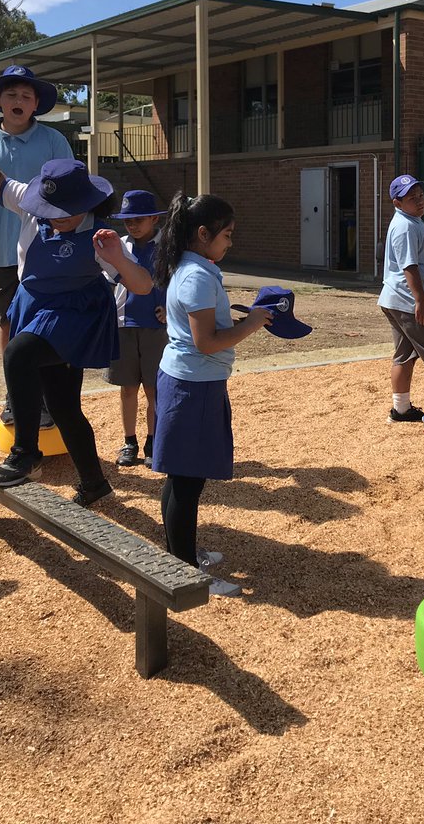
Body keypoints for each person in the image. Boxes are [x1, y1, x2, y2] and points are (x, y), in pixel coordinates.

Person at [0, 153, 154, 500]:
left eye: (65, 213)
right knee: (63, 406)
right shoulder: (32, 206)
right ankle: (95, 484)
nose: (56, 219)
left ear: (86, 203)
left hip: (74, 314)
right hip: (33, 307)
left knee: (17, 354)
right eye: (51, 211)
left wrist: (119, 258)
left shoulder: (100, 237)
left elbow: (143, 286)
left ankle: (25, 453)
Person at [151, 192, 276, 596]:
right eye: (226, 235)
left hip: (188, 379)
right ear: (202, 234)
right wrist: (254, 322)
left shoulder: (188, 268)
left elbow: (201, 332)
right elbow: (207, 342)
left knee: (180, 477)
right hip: (194, 384)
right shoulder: (198, 276)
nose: (230, 242)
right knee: (187, 483)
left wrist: (239, 322)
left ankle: (180, 553)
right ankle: (185, 572)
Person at [0, 65, 73, 426]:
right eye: (11, 95)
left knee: (48, 323)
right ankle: (15, 395)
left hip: (49, 250)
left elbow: (71, 192)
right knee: (9, 323)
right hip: (2, 252)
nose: (18, 101)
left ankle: (49, 398)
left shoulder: (54, 141)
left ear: (36, 103)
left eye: (26, 95)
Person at [378, 174, 424, 422]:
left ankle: (400, 409)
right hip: (409, 301)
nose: (419, 201)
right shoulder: (406, 227)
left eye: (420, 196)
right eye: (411, 198)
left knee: (405, 354)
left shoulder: (410, 221)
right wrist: (420, 301)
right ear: (397, 203)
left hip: (395, 300)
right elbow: (408, 266)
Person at [103, 189, 168, 470]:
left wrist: (169, 310)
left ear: (154, 218)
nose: (133, 225)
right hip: (123, 325)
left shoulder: (167, 248)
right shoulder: (121, 247)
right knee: (128, 388)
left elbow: (175, 283)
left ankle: (154, 441)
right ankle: (129, 441)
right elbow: (108, 282)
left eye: (140, 218)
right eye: (128, 220)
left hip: (155, 327)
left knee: (154, 389)